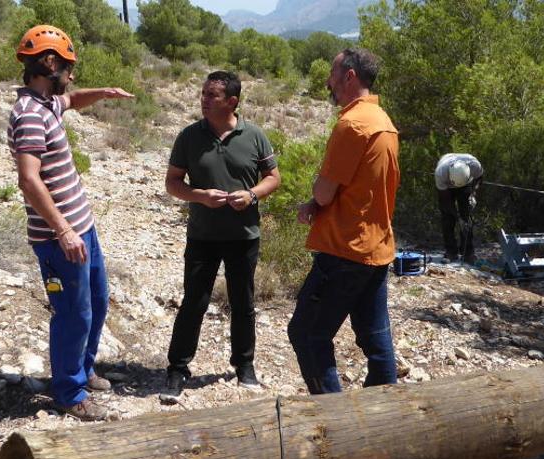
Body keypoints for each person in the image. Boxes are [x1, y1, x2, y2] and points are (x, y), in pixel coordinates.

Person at [7, 25, 134, 420]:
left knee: (96, 302)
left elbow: (73, 99)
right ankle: (69, 392)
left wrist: (106, 92)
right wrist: (63, 230)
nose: (72, 75)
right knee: (72, 314)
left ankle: (84, 368)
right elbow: (28, 179)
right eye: (68, 66)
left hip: (82, 228)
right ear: (49, 63)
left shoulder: (46, 103)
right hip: (59, 238)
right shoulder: (28, 114)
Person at [287, 48, 400, 395]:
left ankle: (334, 420)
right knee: (375, 342)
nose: (328, 82)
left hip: (344, 251)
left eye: (333, 75)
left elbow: (324, 193)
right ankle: (385, 413)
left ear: (349, 76)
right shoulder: (383, 121)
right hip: (376, 249)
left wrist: (314, 199)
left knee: (307, 334)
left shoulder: (352, 124)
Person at [163, 70, 280, 397]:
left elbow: (273, 177)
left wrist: (252, 195)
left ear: (231, 101)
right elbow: (172, 183)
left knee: (243, 303)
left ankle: (244, 365)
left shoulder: (254, 135)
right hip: (203, 236)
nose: (203, 100)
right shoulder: (189, 136)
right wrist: (200, 196)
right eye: (203, 93)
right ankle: (177, 370)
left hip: (244, 236)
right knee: (194, 302)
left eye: (211, 95)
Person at [434, 153, 483, 264]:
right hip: (447, 189)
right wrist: (457, 218)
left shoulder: (474, 165)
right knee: (448, 218)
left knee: (467, 218)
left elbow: (479, 179)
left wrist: (473, 194)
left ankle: (468, 253)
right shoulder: (440, 173)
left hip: (466, 186)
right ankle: (451, 252)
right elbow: (446, 201)